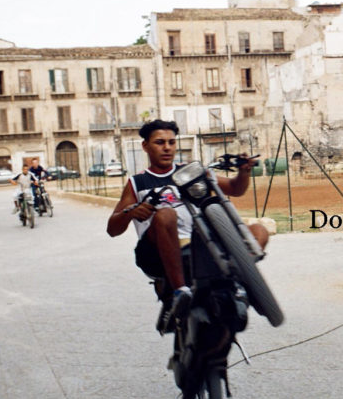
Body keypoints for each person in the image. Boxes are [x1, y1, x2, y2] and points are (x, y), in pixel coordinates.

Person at [106, 119, 267, 332]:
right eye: (160, 142)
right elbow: (112, 229)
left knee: (259, 231)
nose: (167, 148)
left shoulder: (191, 172)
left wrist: (244, 172)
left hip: (203, 246)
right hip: (158, 253)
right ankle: (179, 292)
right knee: (165, 215)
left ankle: (240, 284)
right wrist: (130, 212)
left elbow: (235, 189)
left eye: (172, 142)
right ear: (146, 146)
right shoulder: (137, 183)